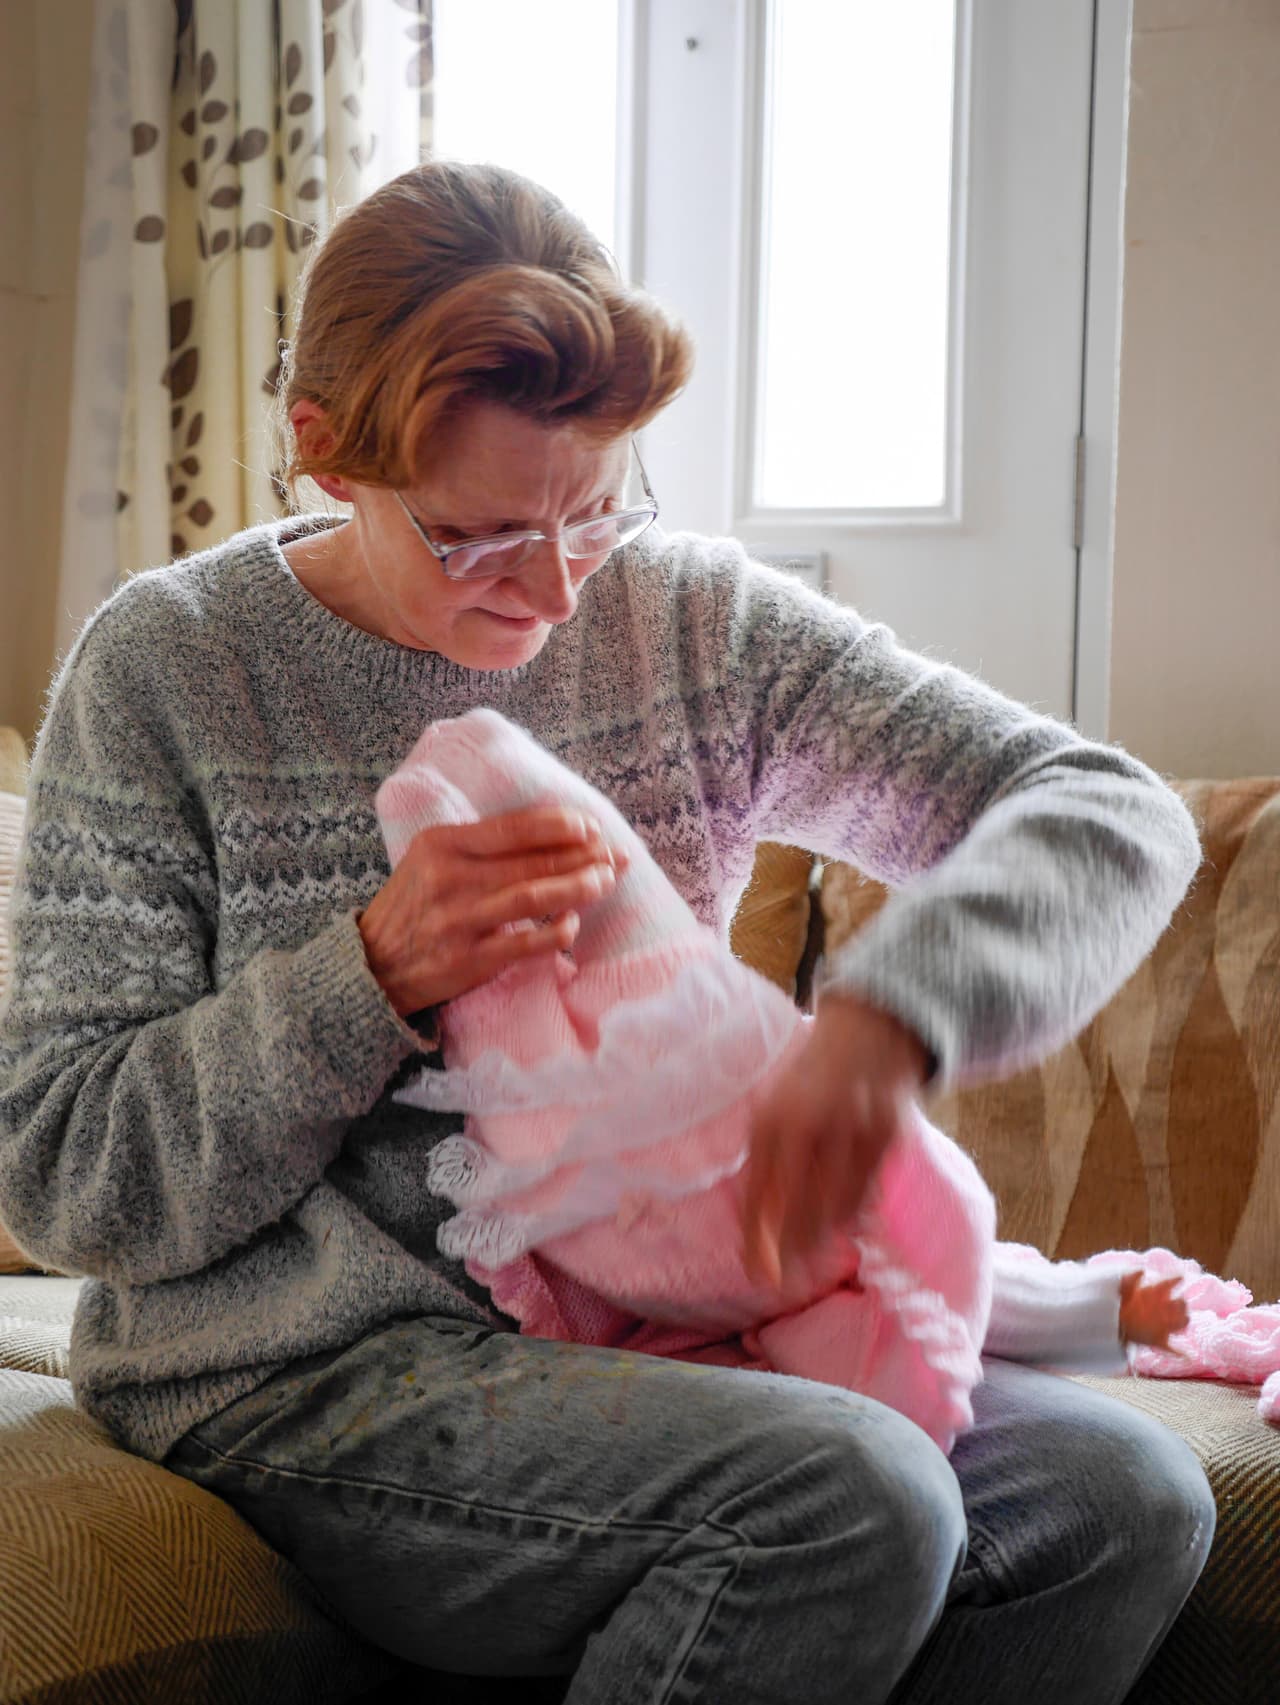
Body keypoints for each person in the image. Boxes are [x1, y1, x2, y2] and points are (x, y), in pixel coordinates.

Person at [0, 161, 1214, 1704]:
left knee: (1120, 1503)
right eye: (479, 536)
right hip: (300, 1369)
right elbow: (60, 1175)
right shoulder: (171, 669)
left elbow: (1105, 807)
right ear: (323, 452)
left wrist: (892, 1016)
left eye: (597, 508)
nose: (559, 588)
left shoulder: (689, 621)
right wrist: (367, 975)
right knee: (844, 1497)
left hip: (661, 1335)